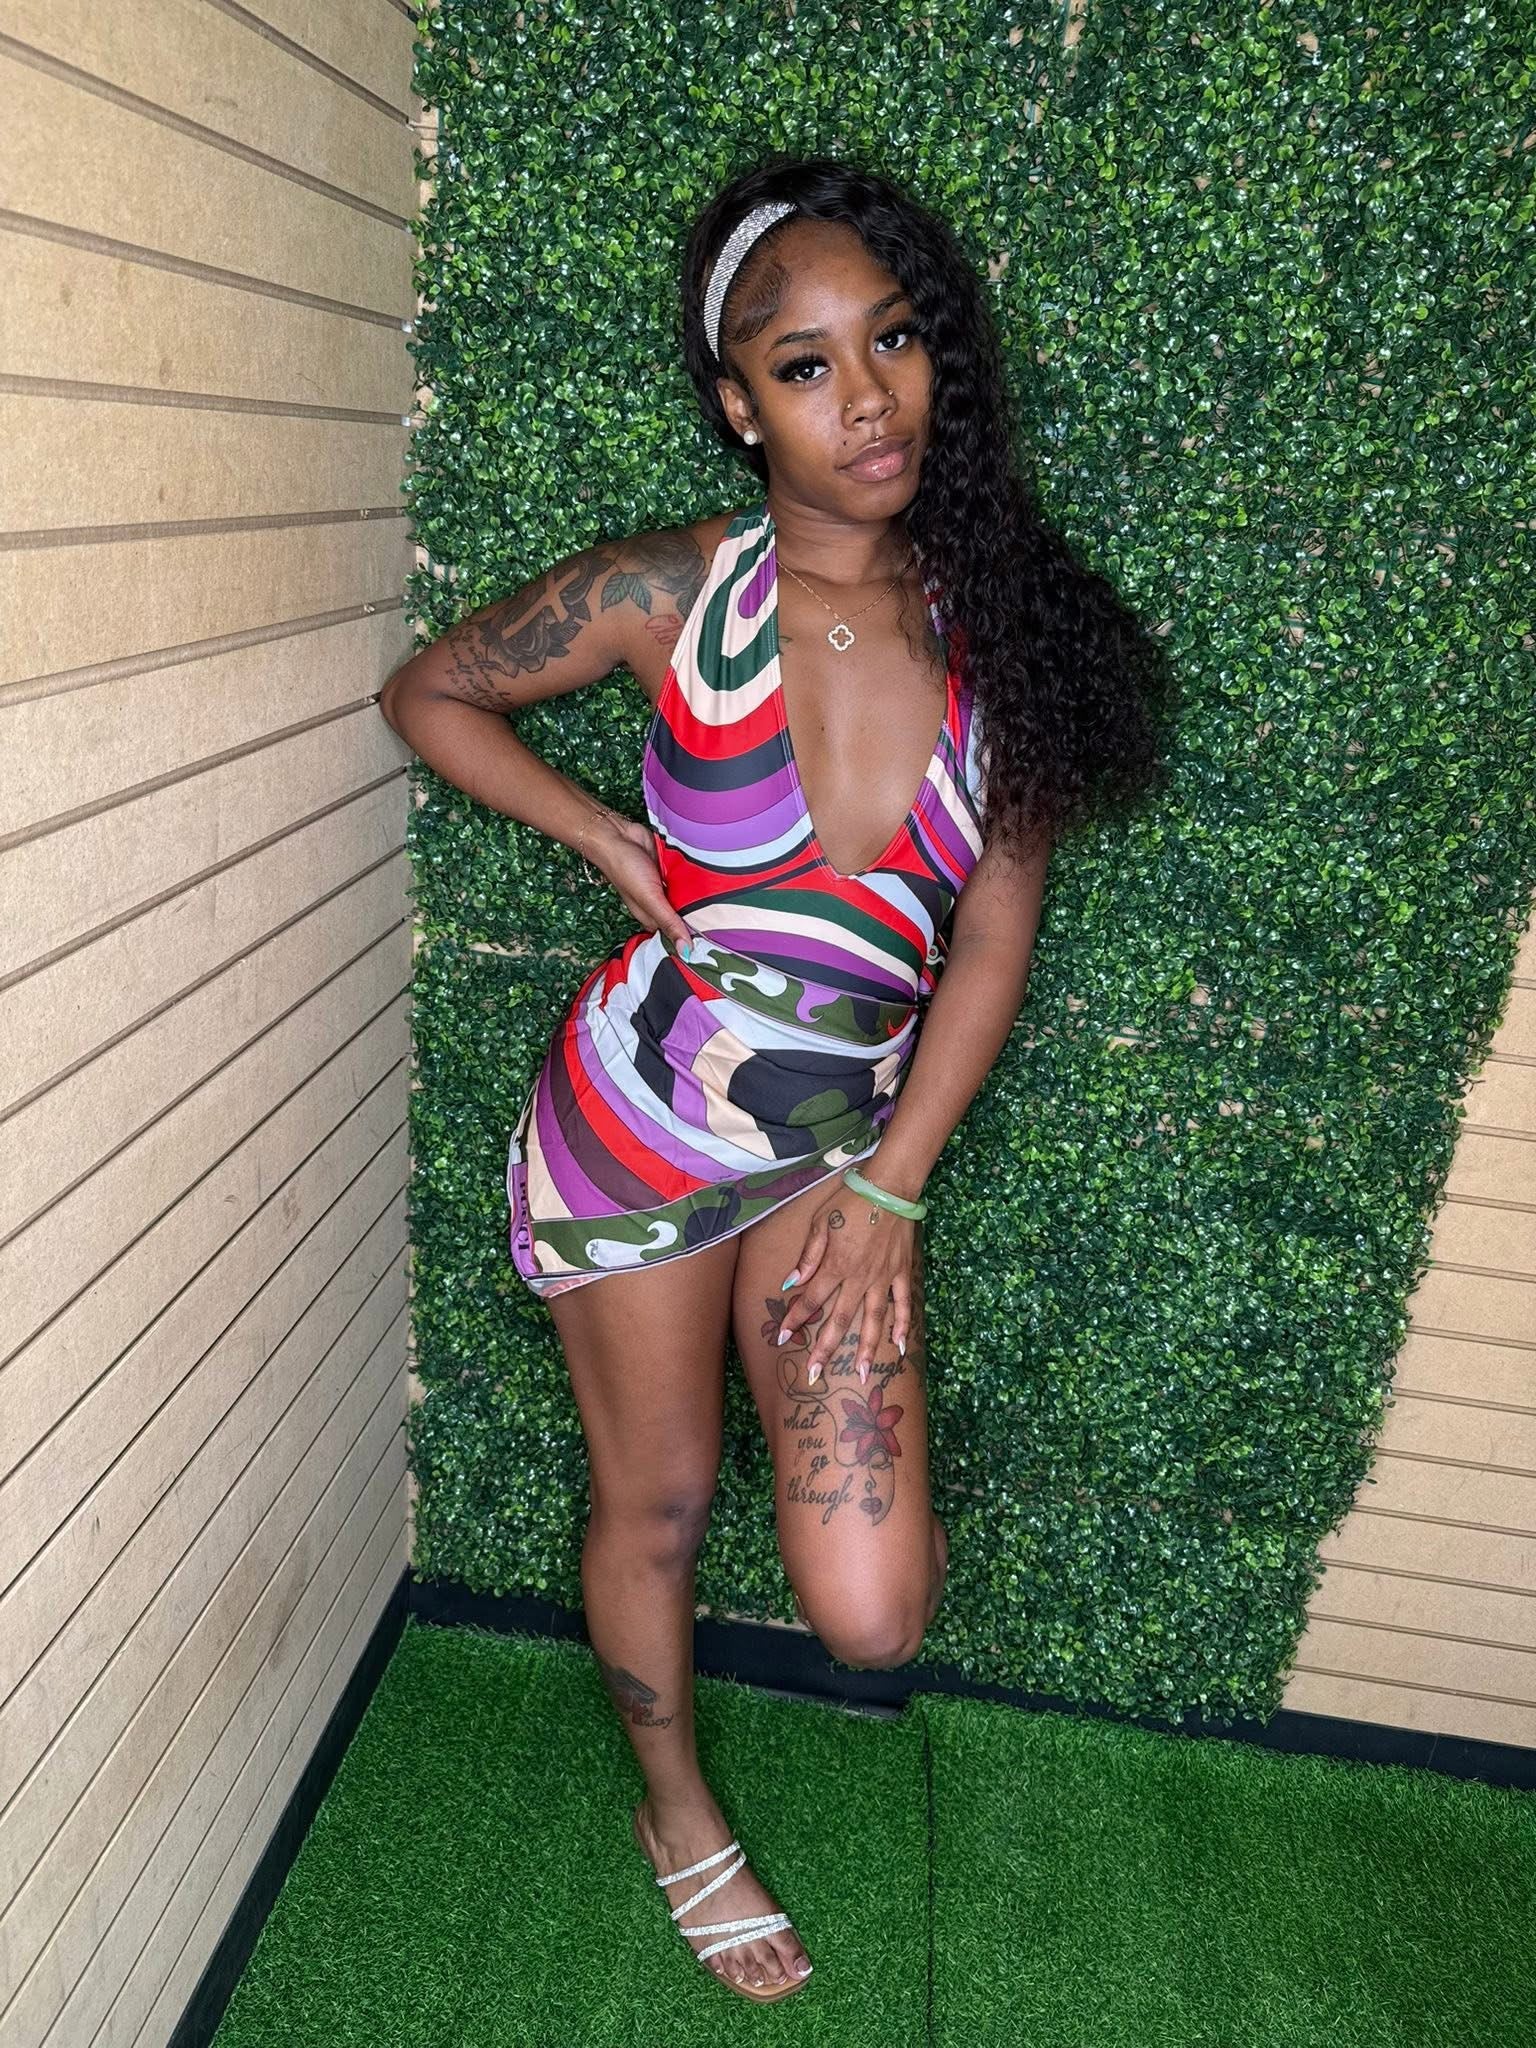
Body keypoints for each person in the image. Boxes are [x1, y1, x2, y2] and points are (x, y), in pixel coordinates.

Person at [380, 154, 1165, 2005]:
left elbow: (988, 947)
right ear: (739, 405)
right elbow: (431, 694)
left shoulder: (1004, 634)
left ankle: (834, 1378)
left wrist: (891, 1192)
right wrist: (603, 833)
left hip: (834, 1160)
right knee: (655, 1504)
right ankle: (675, 1811)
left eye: (892, 341)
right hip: (636, 1130)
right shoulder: (675, 593)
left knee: (875, 1612)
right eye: (803, 365)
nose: (865, 398)